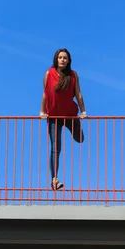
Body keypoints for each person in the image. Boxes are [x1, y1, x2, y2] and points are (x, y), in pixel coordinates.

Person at [40, 48, 87, 190]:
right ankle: (54, 180)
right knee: (55, 148)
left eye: (65, 58)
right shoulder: (49, 74)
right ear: (56, 59)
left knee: (80, 139)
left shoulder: (73, 75)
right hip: (54, 116)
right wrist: (42, 111)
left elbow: (78, 94)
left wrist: (83, 111)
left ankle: (76, 130)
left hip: (70, 115)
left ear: (68, 61)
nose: (62, 60)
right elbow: (45, 95)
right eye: (60, 57)